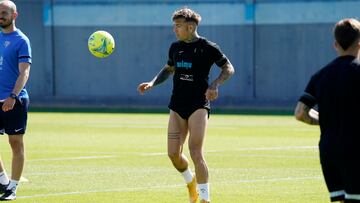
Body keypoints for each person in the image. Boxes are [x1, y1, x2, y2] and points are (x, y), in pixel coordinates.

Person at [138, 7, 234, 203]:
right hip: (177, 104)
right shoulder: (175, 47)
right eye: (174, 26)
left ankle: (205, 199)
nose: (175, 29)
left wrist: (215, 84)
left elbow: (228, 67)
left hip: (198, 104)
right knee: (173, 154)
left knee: (196, 152)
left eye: (178, 26)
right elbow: (168, 68)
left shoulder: (208, 47)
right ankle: (190, 182)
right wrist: (152, 83)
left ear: (191, 27)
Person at [295, 18, 360, 203]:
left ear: (335, 44)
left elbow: (300, 113)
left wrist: (323, 120)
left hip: (329, 150)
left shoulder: (321, 75)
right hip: (356, 148)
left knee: (343, 199)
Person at [0, 0, 32, 201]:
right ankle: (2, 180)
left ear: (14, 15)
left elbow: (25, 72)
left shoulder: (22, 40)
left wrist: (13, 96)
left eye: (4, 12)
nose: (0, 15)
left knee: (15, 142)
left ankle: (12, 187)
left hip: (15, 100)